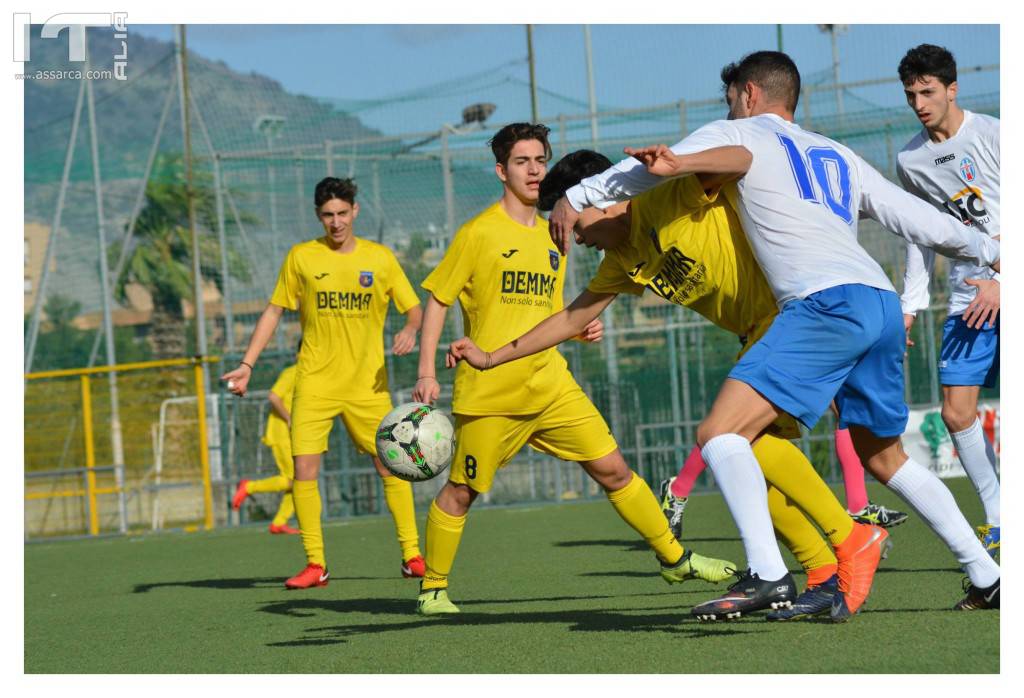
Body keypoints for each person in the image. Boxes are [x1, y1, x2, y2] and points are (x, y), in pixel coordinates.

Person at [546, 51, 1000, 618]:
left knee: (719, 433)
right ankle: (986, 574)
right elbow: (916, 218)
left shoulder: (743, 132)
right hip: (877, 302)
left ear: (750, 94)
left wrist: (580, 194)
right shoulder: (837, 153)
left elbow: (700, 159)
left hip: (823, 305)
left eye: (731, 97)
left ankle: (768, 574)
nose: (728, 107)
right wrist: (995, 252)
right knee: (883, 458)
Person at [450, 148, 887, 622]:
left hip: (790, 319)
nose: (577, 239)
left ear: (601, 196)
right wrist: (492, 356)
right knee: (754, 461)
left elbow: (738, 158)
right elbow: (572, 316)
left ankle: (849, 538)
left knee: (730, 437)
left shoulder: (669, 196)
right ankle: (823, 572)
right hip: (760, 334)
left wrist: (674, 159)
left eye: (575, 224)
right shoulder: (623, 256)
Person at [411, 123, 735, 616]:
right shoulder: (478, 233)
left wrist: (580, 329)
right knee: (461, 491)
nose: (535, 169)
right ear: (502, 171)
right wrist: (427, 372)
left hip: (550, 383)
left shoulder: (557, 232)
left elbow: (552, 310)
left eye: (540, 159)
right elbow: (437, 300)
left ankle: (675, 559)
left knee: (613, 469)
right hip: (491, 390)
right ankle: (433, 589)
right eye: (522, 161)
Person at [222, 176, 425, 589]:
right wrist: (247, 364)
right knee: (304, 471)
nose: (336, 222)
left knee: (390, 464)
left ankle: (412, 555)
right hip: (314, 382)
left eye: (342, 214)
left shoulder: (380, 258)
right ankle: (316, 564)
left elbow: (415, 307)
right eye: (328, 215)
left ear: (355, 211)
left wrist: (410, 329)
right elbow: (274, 311)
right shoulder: (301, 258)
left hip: (367, 384)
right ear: (319, 216)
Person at [897, 44, 1001, 557]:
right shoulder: (910, 160)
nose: (919, 102)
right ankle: (999, 516)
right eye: (911, 93)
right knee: (957, 413)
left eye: (928, 91)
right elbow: (919, 237)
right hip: (968, 297)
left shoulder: (995, 135)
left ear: (952, 88)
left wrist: (1007, 281)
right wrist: (909, 306)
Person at [230, 342, 302, 535]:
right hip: (281, 433)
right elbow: (274, 397)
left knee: (300, 480)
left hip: (298, 435)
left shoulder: (312, 376)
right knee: (293, 479)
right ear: (298, 354)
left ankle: (279, 523)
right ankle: (249, 486)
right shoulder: (292, 372)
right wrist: (289, 419)